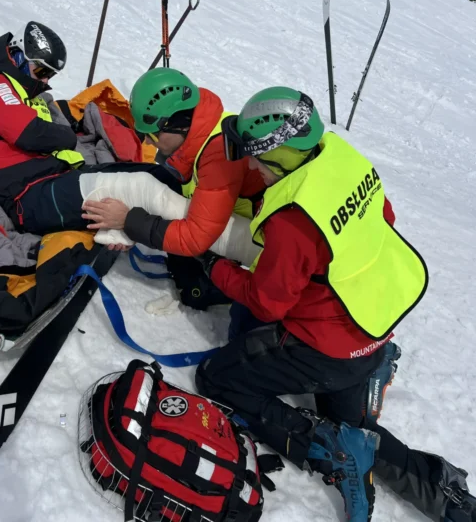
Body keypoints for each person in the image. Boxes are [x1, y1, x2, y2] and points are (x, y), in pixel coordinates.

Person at [195, 86, 474, 522]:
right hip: (373, 326)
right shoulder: (340, 158)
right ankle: (445, 494)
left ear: (281, 156)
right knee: (364, 433)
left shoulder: (294, 218)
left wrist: (211, 266)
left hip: (326, 346)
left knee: (218, 379)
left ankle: (326, 446)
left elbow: (266, 303)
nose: (250, 165)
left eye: (257, 158)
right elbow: (385, 220)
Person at [0, 22, 174, 237]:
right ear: (17, 55)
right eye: (40, 71)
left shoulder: (24, 93)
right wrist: (66, 136)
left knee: (152, 174)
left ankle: (199, 223)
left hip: (54, 178)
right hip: (26, 196)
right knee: (141, 187)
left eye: (50, 74)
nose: (45, 80)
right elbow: (32, 133)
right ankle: (199, 238)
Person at [82, 67, 266, 308]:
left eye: (153, 135)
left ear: (177, 125)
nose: (147, 142)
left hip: (266, 247)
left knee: (193, 284)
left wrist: (128, 222)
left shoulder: (219, 155)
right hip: (236, 219)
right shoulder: (201, 132)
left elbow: (195, 238)